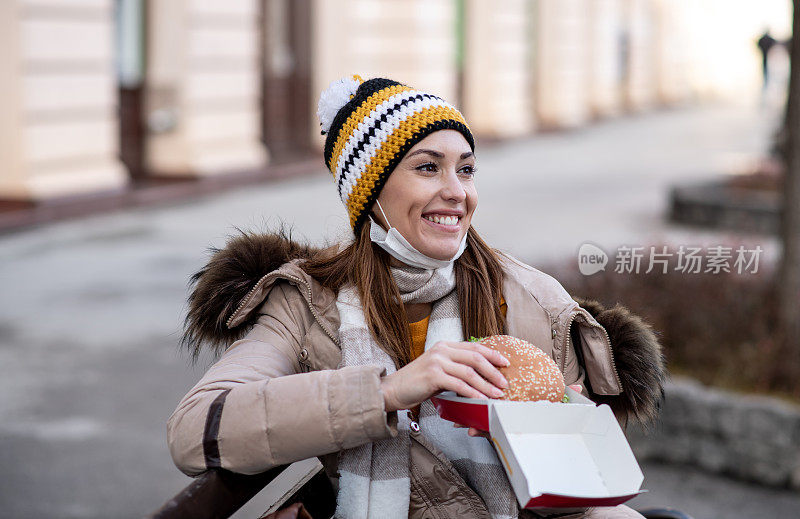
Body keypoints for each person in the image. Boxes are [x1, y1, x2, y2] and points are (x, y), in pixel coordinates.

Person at [167, 76, 665, 519]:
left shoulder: (534, 301)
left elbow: (578, 500)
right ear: (371, 193)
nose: (457, 192)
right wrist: (386, 393)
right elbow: (195, 432)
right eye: (428, 168)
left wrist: (561, 436)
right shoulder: (305, 303)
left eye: (466, 170)